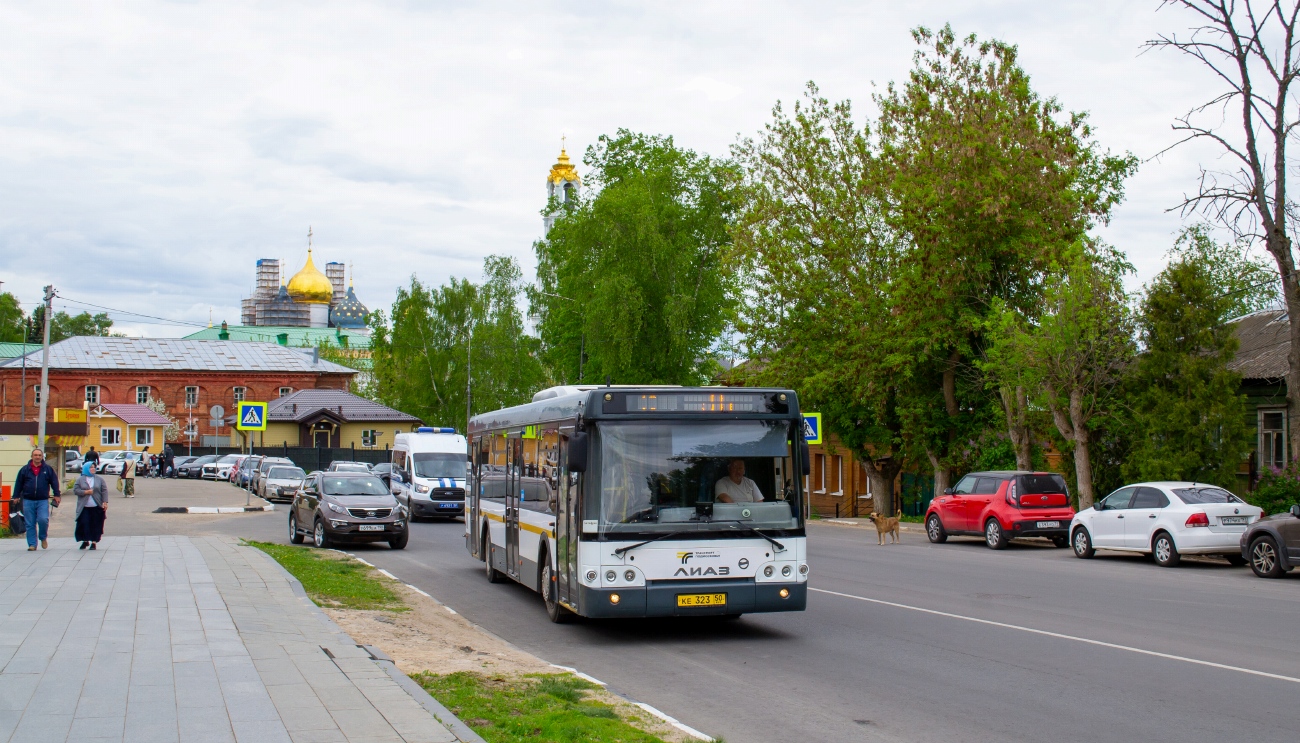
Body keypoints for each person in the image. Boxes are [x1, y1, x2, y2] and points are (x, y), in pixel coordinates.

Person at [13, 448, 61, 551]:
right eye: (35, 455)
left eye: (39, 455)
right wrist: (15, 496)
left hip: (42, 500)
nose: (37, 457)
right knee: (30, 523)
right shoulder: (25, 470)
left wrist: (57, 495)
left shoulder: (47, 469)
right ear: (32, 456)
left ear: (42, 456)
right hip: (28, 500)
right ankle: (32, 544)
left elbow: (54, 482)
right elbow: (19, 484)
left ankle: (43, 537)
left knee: (43, 520)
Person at [74, 462, 108, 550]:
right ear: (86, 469)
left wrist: (105, 502)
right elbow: (76, 490)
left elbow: (104, 490)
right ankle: (85, 540)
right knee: (84, 523)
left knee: (96, 524)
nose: (93, 469)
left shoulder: (99, 479)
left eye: (94, 467)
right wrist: (85, 492)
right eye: (91, 467)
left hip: (96, 506)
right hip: (84, 507)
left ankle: (94, 542)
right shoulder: (80, 479)